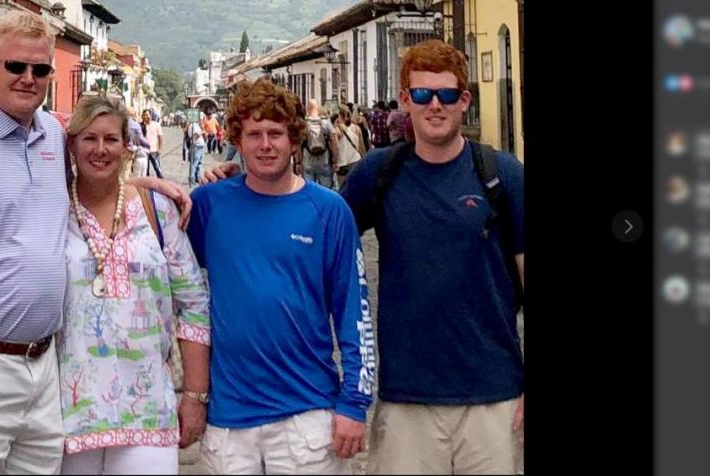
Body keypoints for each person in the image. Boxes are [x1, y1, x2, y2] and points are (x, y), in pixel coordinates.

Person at [201, 39, 524, 474]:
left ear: (464, 100)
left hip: (494, 392)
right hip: (407, 395)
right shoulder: (379, 172)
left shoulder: (503, 175)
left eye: (446, 94)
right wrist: (242, 175)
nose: (435, 105)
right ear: (405, 99)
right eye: (422, 94)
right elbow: (305, 217)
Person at [0, 10, 191, 474]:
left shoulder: (53, 135)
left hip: (42, 373)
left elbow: (98, 171)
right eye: (16, 66)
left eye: (41, 69)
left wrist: (144, 186)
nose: (28, 78)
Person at [186, 78, 375, 474]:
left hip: (305, 416)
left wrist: (355, 403)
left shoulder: (329, 211)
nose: (265, 144)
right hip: (229, 420)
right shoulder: (209, 204)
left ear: (294, 139)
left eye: (276, 133)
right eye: (254, 134)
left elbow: (354, 313)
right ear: (237, 139)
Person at [58, 95, 211, 474]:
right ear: (71, 144)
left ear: (127, 146)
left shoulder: (157, 211)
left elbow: (193, 304)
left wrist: (194, 395)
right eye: (89, 138)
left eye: (111, 139)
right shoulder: (52, 207)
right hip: (65, 415)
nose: (100, 149)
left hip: (148, 411)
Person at [301, 99, 338, 188]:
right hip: (324, 162)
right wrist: (335, 161)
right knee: (326, 191)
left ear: (307, 108)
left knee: (309, 190)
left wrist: (298, 162)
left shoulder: (304, 124)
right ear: (317, 108)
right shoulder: (326, 123)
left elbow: (299, 144)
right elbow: (334, 143)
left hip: (308, 163)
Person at [333, 107, 365, 184]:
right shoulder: (357, 128)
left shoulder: (337, 130)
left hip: (342, 164)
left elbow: (335, 147)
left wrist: (334, 161)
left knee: (343, 189)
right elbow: (361, 147)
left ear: (340, 116)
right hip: (356, 161)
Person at [126, 106, 150, 178]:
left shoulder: (120, 123)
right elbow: (141, 138)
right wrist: (148, 143)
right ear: (133, 115)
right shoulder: (136, 125)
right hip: (130, 150)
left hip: (120, 149)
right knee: (128, 170)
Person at [142, 110, 164, 178]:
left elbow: (160, 137)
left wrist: (160, 148)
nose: (146, 117)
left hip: (154, 151)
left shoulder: (156, 125)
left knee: (158, 169)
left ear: (151, 115)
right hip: (144, 151)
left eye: (147, 115)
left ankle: (161, 184)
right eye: (144, 115)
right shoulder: (141, 126)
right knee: (145, 170)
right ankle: (147, 186)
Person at [187, 119, 206, 188]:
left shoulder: (197, 125)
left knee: (199, 163)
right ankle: (191, 178)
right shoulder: (193, 125)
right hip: (196, 146)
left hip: (200, 146)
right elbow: (195, 135)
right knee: (194, 163)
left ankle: (197, 177)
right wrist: (202, 131)